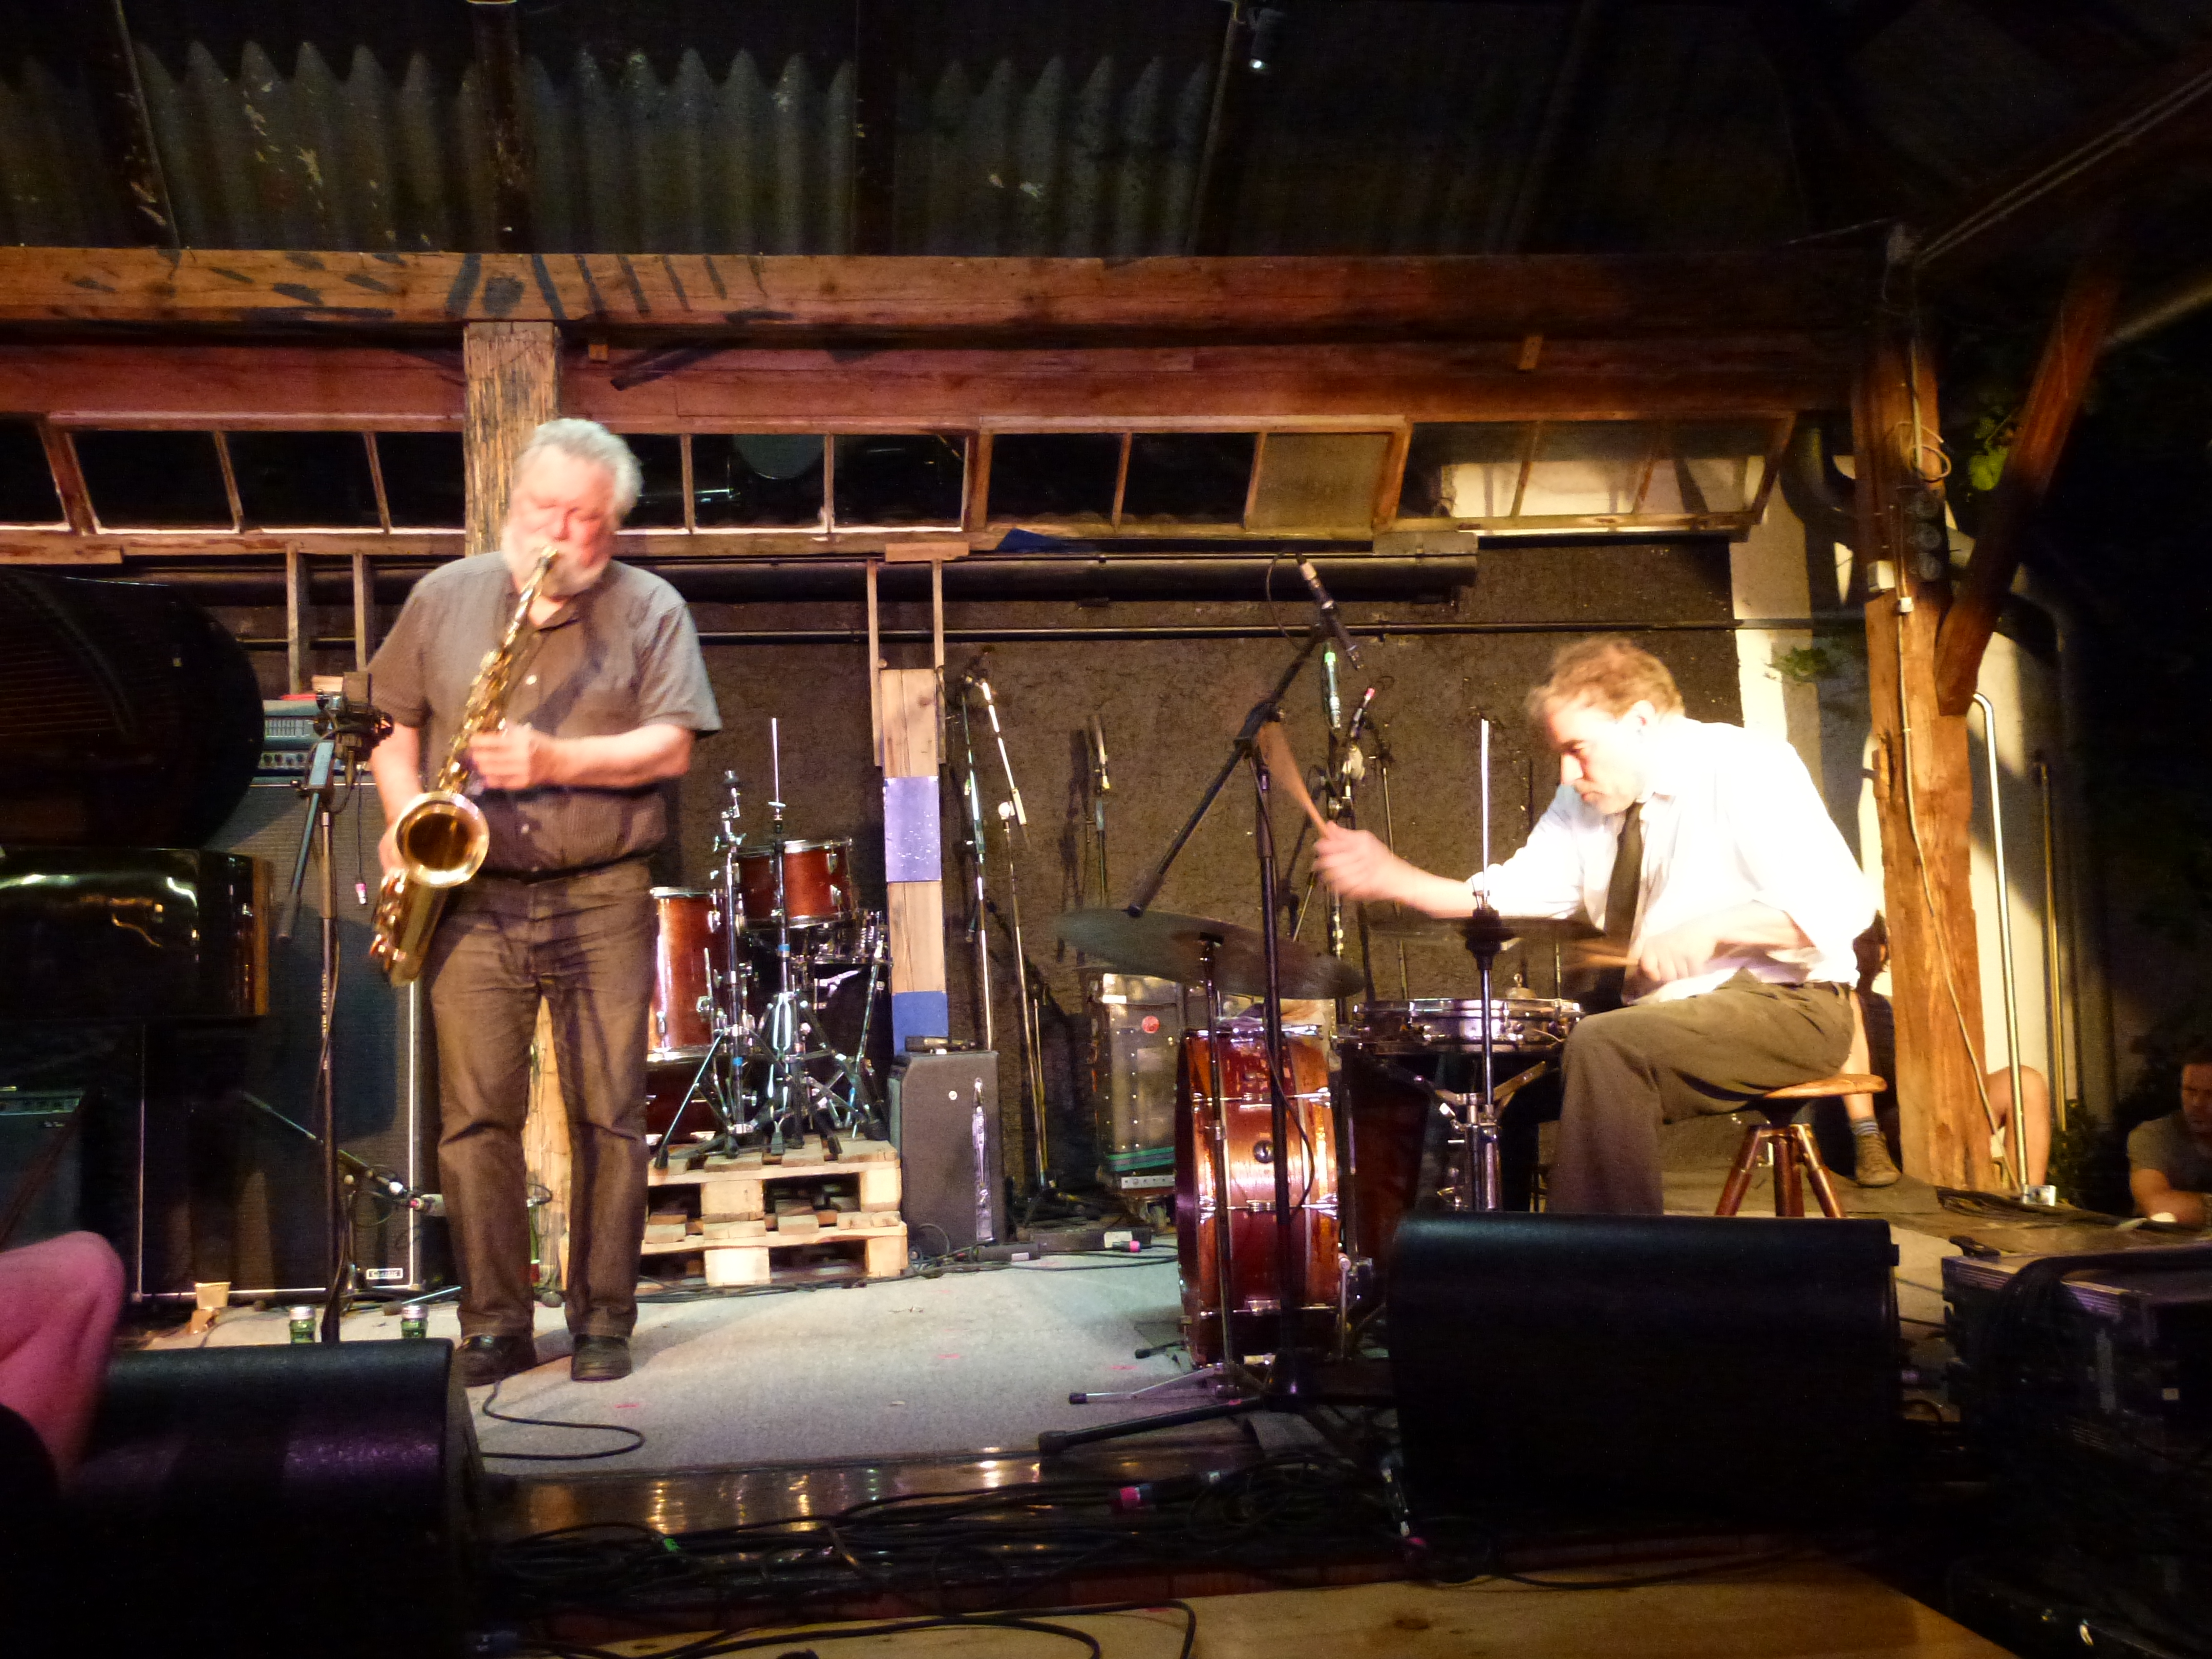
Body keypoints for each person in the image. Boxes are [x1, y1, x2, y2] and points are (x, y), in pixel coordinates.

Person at [368, 419, 720, 1386]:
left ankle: (603, 1319)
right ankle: (494, 1323)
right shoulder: (444, 597)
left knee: (609, 1113)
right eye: (543, 509)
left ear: (613, 526)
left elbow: (673, 744)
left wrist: (557, 759)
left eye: (583, 518)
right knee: (474, 1119)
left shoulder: (650, 607)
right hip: (472, 894)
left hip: (602, 889)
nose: (558, 532)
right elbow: (392, 721)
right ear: (510, 504)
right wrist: (406, 821)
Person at [1314, 636, 1871, 1216]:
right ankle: (1482, 1258)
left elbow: (1841, 908)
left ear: (1639, 722)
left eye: (1579, 750)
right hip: (1663, 1013)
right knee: (1481, 1066)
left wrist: (1714, 929)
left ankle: (1602, 1268)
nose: (1568, 772)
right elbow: (1509, 895)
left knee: (1608, 1048)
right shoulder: (1584, 799)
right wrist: (1394, 877)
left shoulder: (1743, 764)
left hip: (1792, 1007)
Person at [1839, 916, 2052, 1190]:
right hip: (1848, 1131)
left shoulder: (1900, 1009)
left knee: (2025, 1083)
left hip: (1919, 1121)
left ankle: (2028, 1198)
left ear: (1883, 951)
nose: (1856, 950)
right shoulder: (1824, 1008)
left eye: (1865, 942)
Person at [2128, 1056, 2212, 1226]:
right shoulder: (2154, 1136)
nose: (2197, 1103)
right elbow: (2158, 1206)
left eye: (2211, 1094)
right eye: (2190, 1091)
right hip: (2169, 1242)